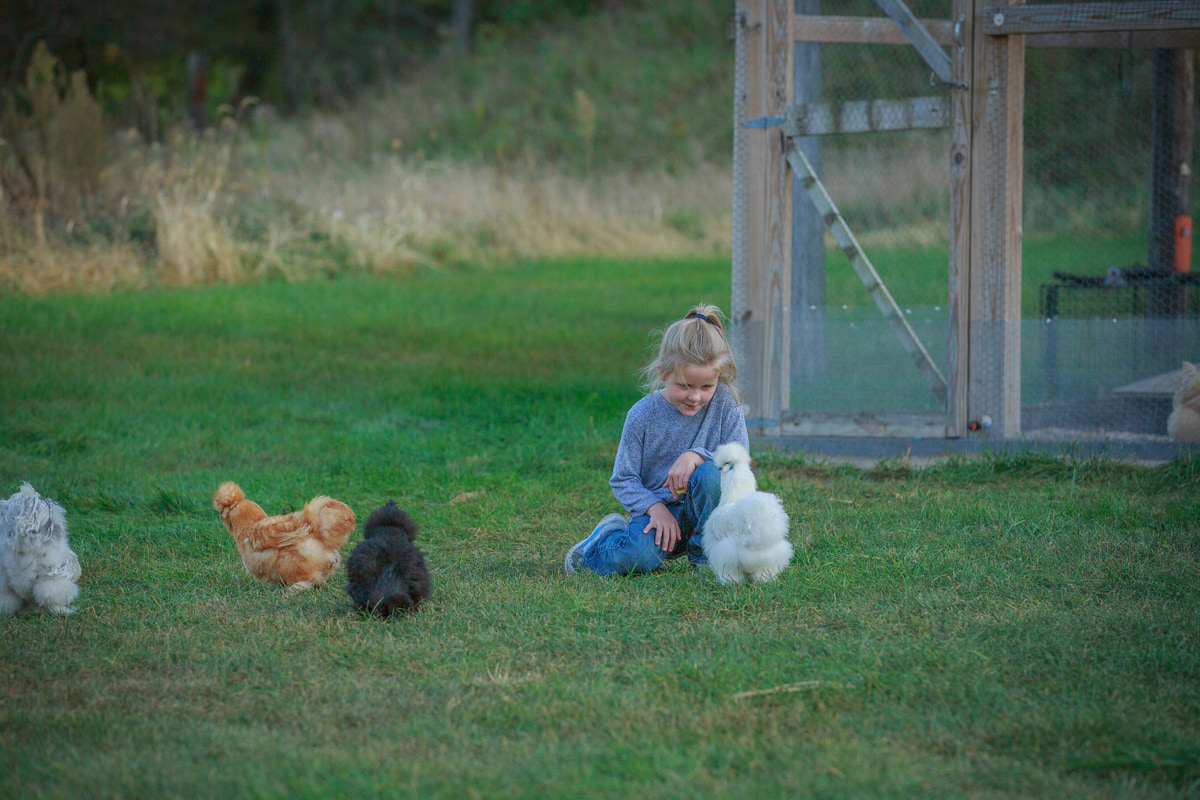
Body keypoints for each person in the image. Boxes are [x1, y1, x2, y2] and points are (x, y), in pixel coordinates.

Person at [565, 303, 749, 576]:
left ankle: (706, 557)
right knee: (637, 558)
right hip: (656, 516)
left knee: (713, 474)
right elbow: (623, 478)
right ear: (663, 372)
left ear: (719, 377)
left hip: (709, 515)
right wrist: (655, 508)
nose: (695, 397)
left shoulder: (726, 402)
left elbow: (739, 459)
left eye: (706, 386)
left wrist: (696, 455)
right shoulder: (642, 414)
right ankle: (600, 544)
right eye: (685, 385)